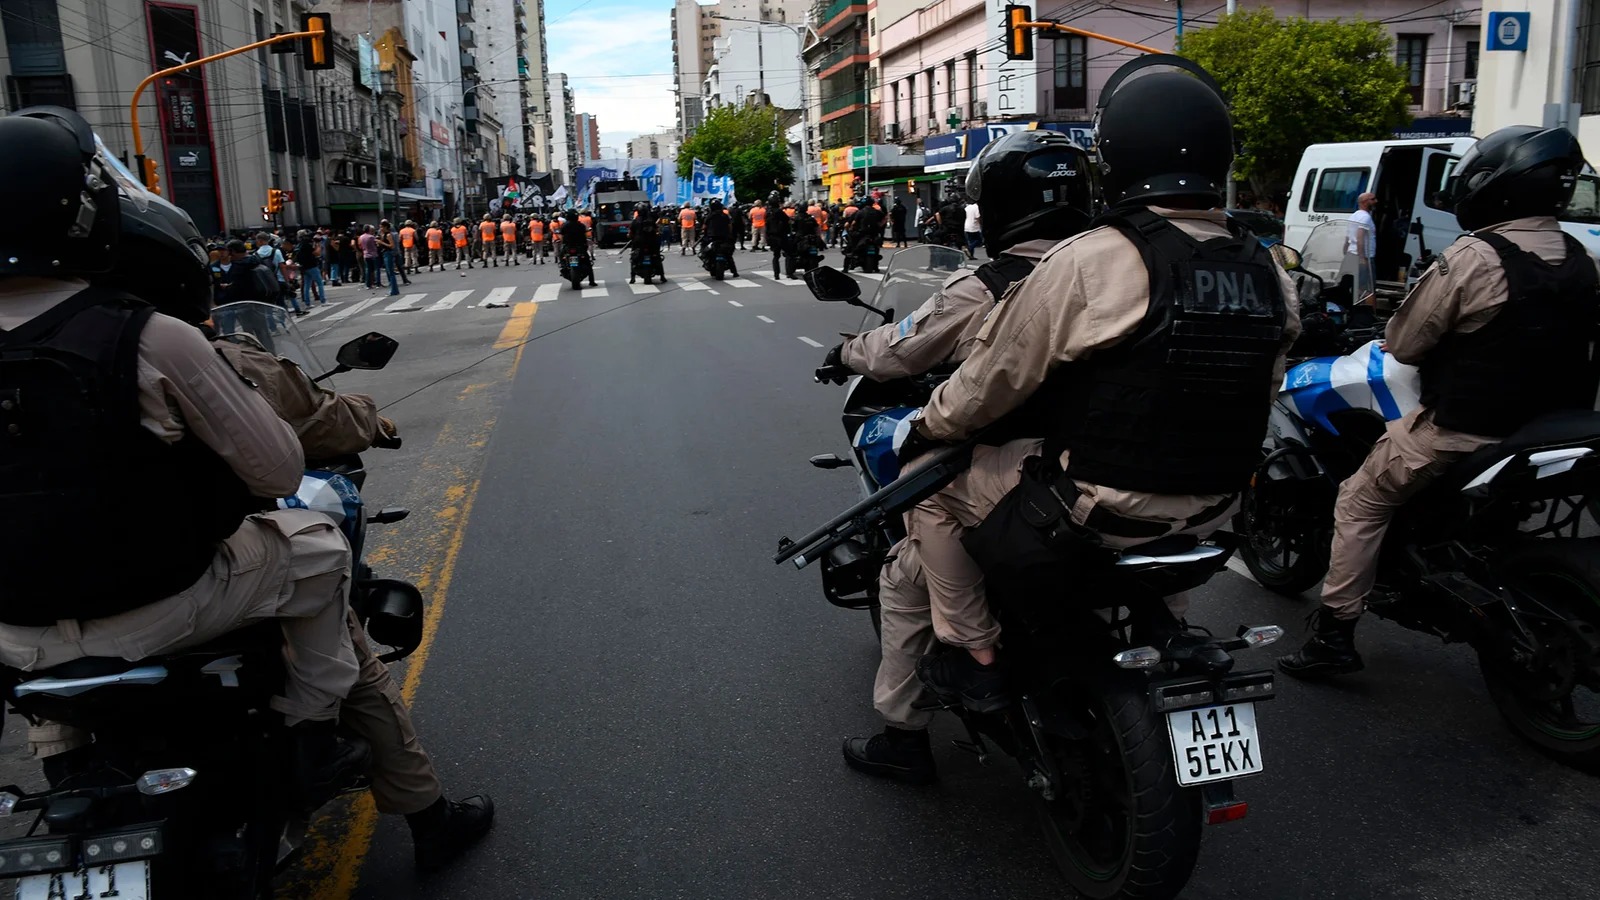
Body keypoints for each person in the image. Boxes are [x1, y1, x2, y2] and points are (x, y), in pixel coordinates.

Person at [838, 58, 1301, 782]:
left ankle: (974, 652)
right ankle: (1163, 621)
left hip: (1096, 501)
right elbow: (1266, 380)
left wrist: (928, 429)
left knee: (926, 482)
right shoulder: (1264, 267)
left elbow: (993, 380)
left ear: (1114, 157)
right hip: (1216, 505)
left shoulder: (1096, 260)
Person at [0, 105, 370, 817]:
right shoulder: (150, 335)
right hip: (161, 607)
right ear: (86, 214)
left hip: (15, 633)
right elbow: (279, 475)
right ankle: (311, 731)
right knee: (319, 546)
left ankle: (63, 755)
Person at [1278, 126, 1600, 678]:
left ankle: (1333, 637)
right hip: (1555, 427)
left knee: (1359, 499)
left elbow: (1405, 343)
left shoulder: (1475, 256)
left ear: (1496, 186)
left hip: (1465, 432)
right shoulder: (1580, 255)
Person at [254, 231, 297, 312]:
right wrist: (287, 280)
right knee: (281, 302)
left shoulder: (256, 254)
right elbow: (282, 267)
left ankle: (272, 323)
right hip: (278, 280)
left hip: (265, 282)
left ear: (260, 241)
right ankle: (283, 321)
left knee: (269, 305)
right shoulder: (276, 251)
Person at [700, 199, 738, 277]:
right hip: (723, 238)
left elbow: (704, 227)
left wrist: (704, 232)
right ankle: (734, 272)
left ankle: (734, 271)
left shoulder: (709, 216)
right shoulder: (725, 216)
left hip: (712, 238)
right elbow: (730, 227)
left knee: (704, 251)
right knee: (728, 255)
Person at [559, 211, 597, 286]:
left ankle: (562, 266)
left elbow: (561, 235)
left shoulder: (564, 225)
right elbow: (585, 234)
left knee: (561, 256)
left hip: (569, 246)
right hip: (579, 246)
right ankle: (591, 281)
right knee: (588, 263)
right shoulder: (581, 225)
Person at [627, 202, 661, 284]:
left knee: (633, 257)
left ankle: (632, 277)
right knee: (657, 256)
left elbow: (630, 233)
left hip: (639, 243)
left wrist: (630, 236)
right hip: (651, 243)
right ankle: (662, 275)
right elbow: (657, 230)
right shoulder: (651, 220)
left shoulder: (635, 221)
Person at [294, 229, 326, 308]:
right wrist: (318, 245)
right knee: (320, 283)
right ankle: (323, 300)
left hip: (303, 267)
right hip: (312, 265)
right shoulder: (307, 244)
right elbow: (316, 253)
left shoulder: (299, 245)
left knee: (307, 285)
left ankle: (307, 303)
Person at [765, 193, 792, 280]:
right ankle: (789, 273)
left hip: (772, 236)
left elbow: (767, 225)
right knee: (789, 254)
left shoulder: (768, 212)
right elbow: (787, 220)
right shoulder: (779, 212)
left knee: (776, 256)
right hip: (781, 235)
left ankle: (776, 275)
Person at [1347, 191, 1377, 262]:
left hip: (1351, 253)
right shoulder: (1365, 217)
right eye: (1373, 199)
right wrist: (1362, 259)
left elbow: (1347, 237)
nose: (1376, 201)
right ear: (1364, 202)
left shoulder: (1353, 216)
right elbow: (1359, 238)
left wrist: (1346, 252)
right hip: (1365, 256)